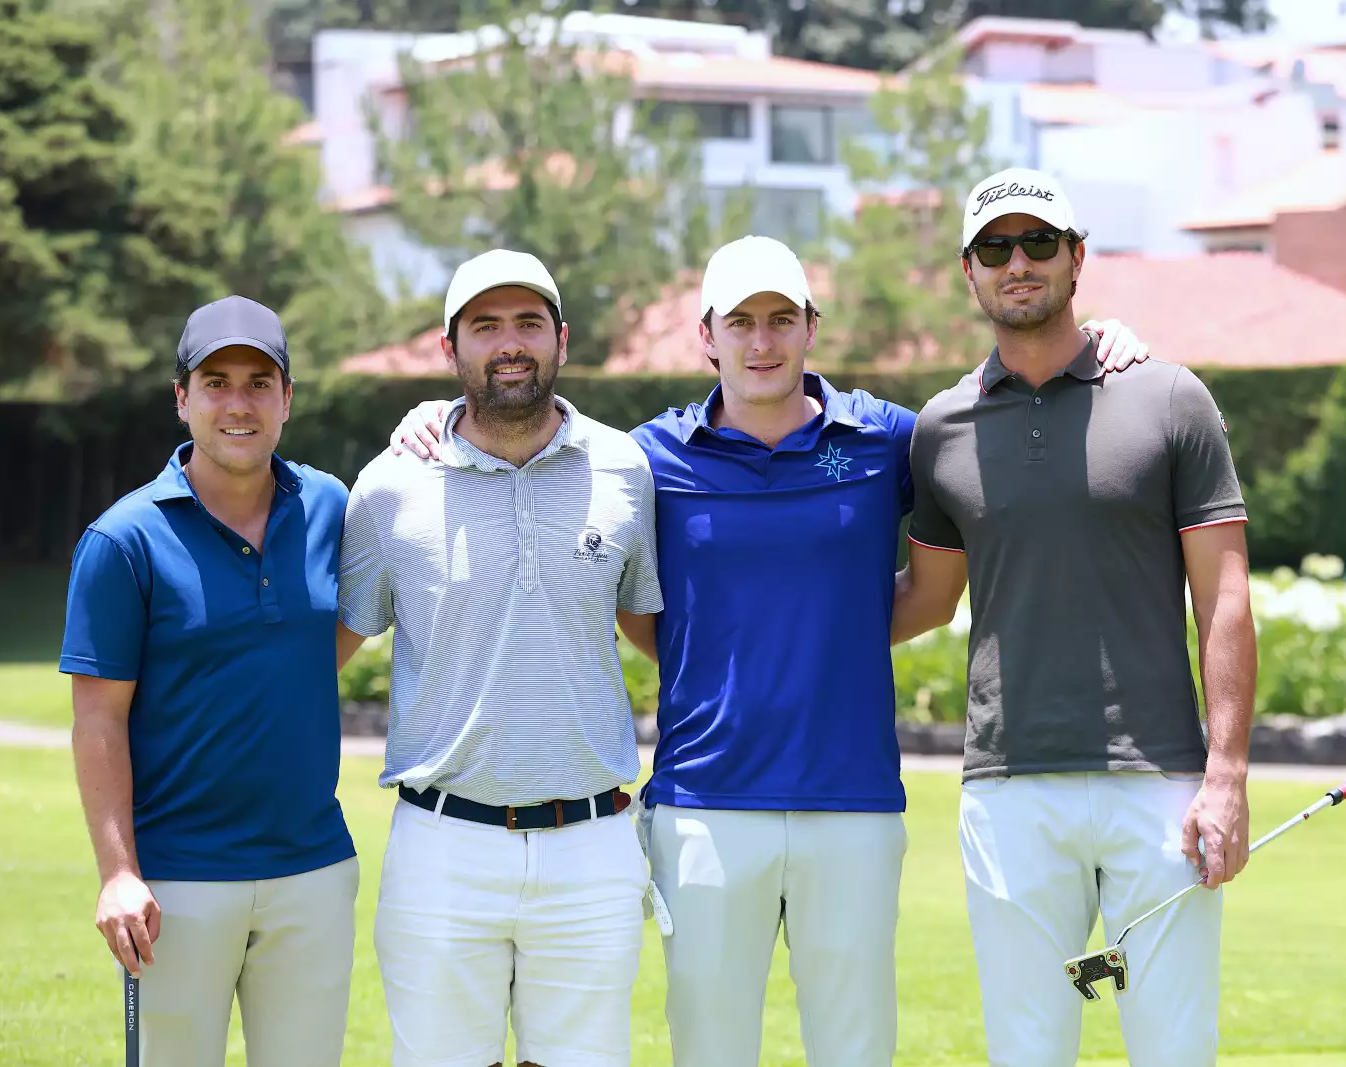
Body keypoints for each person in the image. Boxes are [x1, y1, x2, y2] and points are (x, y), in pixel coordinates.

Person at [384, 236, 1153, 1067]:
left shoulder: (884, 438)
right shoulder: (645, 458)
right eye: (740, 321)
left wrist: (1094, 340)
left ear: (811, 326)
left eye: (781, 319)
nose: (761, 341)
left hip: (852, 802)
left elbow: (979, 445)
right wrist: (432, 414)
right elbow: (640, 611)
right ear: (705, 335)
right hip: (704, 803)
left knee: (854, 1048)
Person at [891, 167, 1258, 1067]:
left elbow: (1225, 595)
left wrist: (1228, 775)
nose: (1019, 262)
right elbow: (929, 600)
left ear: (1077, 257)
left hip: (1160, 785)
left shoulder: (1170, 398)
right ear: (969, 272)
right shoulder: (940, 428)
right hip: (1008, 786)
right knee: (1027, 1051)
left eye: (1039, 242)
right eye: (995, 247)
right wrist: (776, 628)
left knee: (1174, 1049)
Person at [334, 249, 665, 1067]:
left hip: (591, 841)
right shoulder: (386, 487)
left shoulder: (626, 467)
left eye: (527, 323)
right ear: (449, 350)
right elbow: (324, 656)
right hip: (443, 842)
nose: (508, 343)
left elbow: (654, 631)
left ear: (561, 340)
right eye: (485, 326)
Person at [60, 295, 360, 1067]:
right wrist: (118, 872)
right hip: (177, 882)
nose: (238, 402)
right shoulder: (122, 539)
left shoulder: (329, 505)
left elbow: (333, 634)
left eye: (260, 382)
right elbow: (97, 721)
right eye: (216, 380)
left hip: (314, 870)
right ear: (182, 397)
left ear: (287, 399)